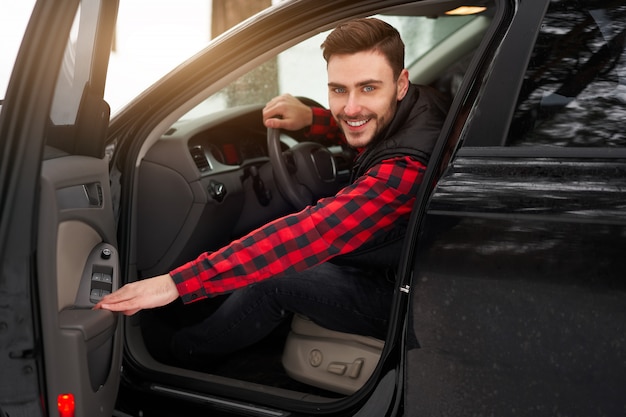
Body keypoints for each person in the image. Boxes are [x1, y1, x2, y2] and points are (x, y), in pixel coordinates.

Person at [95, 18, 448, 363]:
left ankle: (176, 352)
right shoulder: (424, 104)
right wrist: (315, 121)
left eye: (368, 88)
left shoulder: (404, 170)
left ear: (401, 84)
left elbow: (312, 232)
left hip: (408, 301)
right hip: (409, 270)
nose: (350, 107)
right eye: (339, 89)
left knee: (275, 279)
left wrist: (175, 283)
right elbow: (373, 127)